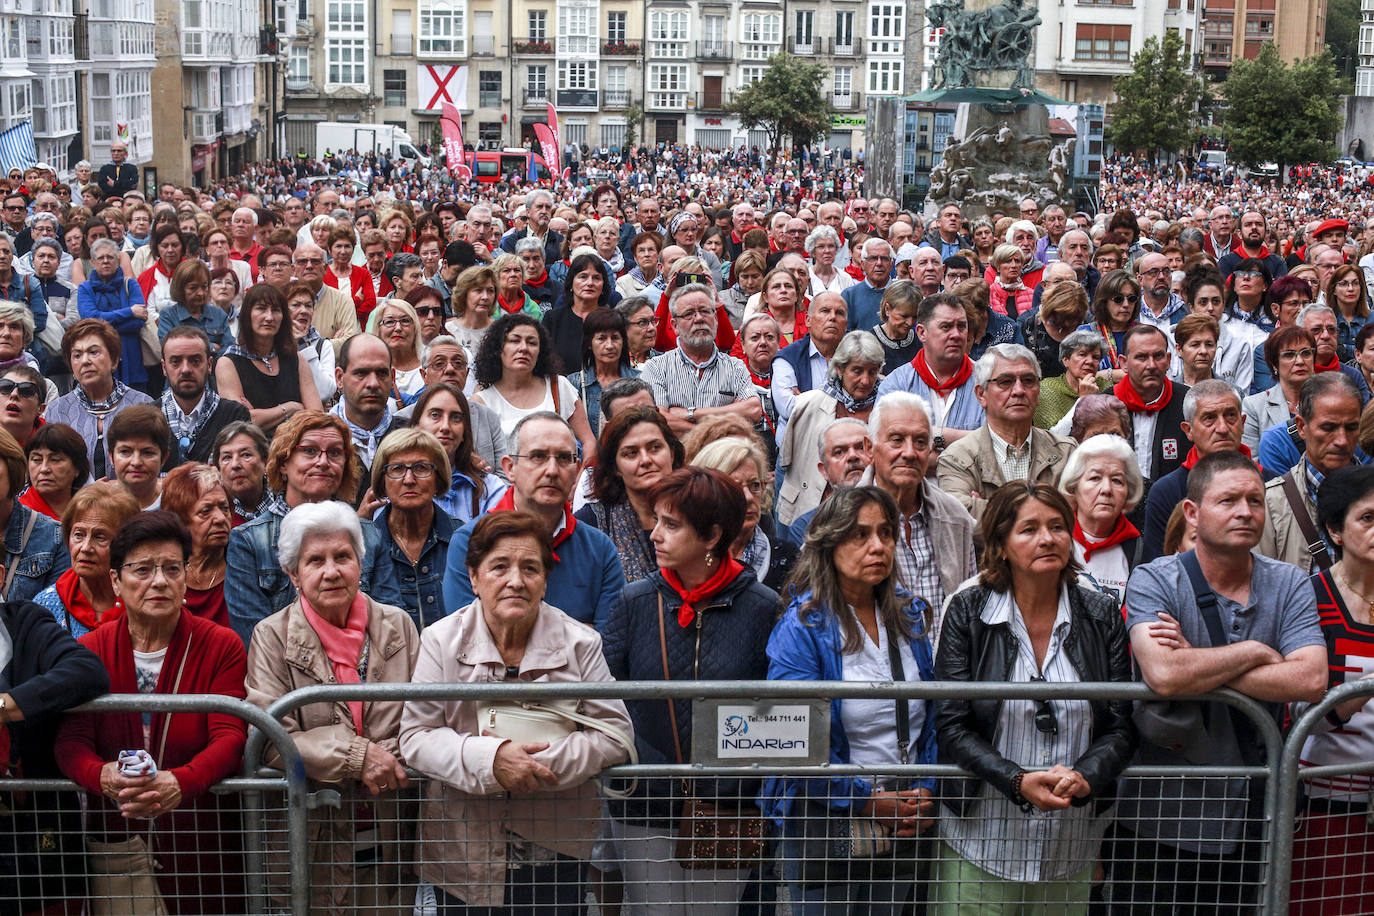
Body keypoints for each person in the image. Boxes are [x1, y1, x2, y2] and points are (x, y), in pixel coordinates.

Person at [1108, 451, 1327, 912]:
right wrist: (1253, 652)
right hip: (1162, 816)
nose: (1246, 512)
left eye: (1254, 500)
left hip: (1251, 813)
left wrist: (1200, 661)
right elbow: (1165, 674)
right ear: (1192, 512)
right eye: (1228, 500)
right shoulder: (1154, 578)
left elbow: (1310, 678)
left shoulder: (1289, 582)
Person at [401, 510, 632, 913]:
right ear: (473, 578)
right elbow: (416, 737)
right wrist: (490, 760)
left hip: (555, 844)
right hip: (463, 844)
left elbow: (614, 734)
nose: (515, 581)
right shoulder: (439, 640)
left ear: (545, 580)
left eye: (530, 568)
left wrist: (534, 764)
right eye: (499, 567)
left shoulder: (581, 643)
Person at [934, 482, 1137, 911]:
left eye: (1058, 527)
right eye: (1029, 529)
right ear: (1001, 544)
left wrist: (1086, 776)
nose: (1047, 538)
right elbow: (951, 725)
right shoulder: (968, 611)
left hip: (1071, 844)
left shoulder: (1100, 613)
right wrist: (1015, 780)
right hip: (982, 844)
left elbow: (1120, 725)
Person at [601, 466, 777, 915]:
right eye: (657, 521)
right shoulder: (636, 601)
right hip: (646, 798)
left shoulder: (762, 608)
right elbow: (606, 692)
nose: (656, 534)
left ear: (713, 534)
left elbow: (776, 707)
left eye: (672, 525)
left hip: (729, 804)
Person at [54, 511, 249, 914]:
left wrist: (180, 781)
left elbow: (230, 735)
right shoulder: (89, 650)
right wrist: (102, 775)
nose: (159, 581)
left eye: (172, 568)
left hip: (200, 838)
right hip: (119, 842)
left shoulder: (220, 645)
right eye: (142, 569)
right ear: (115, 582)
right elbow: (72, 740)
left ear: (186, 577)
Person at [762, 486, 938, 911]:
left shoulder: (908, 614)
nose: (878, 546)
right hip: (829, 819)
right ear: (830, 544)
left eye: (885, 533)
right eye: (860, 535)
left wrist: (928, 789)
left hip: (903, 816)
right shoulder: (802, 627)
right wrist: (865, 799)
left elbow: (930, 718)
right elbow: (791, 742)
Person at [244, 501, 419, 910]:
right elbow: (270, 737)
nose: (331, 571)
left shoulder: (399, 625)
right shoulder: (271, 635)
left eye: (343, 556)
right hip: (314, 837)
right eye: (315, 560)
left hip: (390, 829)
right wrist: (359, 756)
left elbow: (424, 717)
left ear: (360, 562)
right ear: (293, 574)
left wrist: (387, 755)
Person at [224, 411, 403, 642]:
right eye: (309, 451)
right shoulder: (248, 541)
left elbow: (389, 628)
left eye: (335, 453)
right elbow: (257, 641)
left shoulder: (369, 534)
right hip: (284, 674)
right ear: (283, 463)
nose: (323, 462)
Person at [0, 544, 109, 913]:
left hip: (36, 828)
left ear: (0, 577)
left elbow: (87, 671)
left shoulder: (25, 621)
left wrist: (4, 707)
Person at [443, 412, 623, 627]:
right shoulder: (469, 541)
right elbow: (467, 638)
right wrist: (581, 632)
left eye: (565, 458)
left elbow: (609, 644)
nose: (552, 470)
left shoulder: (600, 549)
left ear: (577, 470)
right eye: (538, 456)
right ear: (510, 468)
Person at [1290, 466, 1374, 913]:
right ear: (1335, 531)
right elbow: (1301, 711)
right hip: (1326, 805)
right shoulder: (1309, 598)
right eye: (1368, 518)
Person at [865, 392, 977, 643]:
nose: (909, 452)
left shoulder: (955, 517)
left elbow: (969, 606)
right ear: (869, 448)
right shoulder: (840, 520)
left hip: (947, 673)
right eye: (896, 440)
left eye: (920, 442)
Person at [936, 344, 1077, 521]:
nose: (1019, 391)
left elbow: (1080, 516)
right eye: (1005, 382)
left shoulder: (1067, 452)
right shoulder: (956, 459)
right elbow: (961, 522)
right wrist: (1051, 510)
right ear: (981, 394)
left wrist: (989, 510)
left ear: (1038, 392)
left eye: (1028, 381)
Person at [1055, 325, 1192, 491]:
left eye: (1158, 356)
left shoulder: (1189, 402)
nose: (1151, 365)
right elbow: (1060, 445)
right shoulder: (1103, 404)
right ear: (1123, 363)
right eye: (1141, 357)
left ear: (1169, 360)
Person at [777, 330, 883, 528]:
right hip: (813, 512)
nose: (866, 381)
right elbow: (786, 465)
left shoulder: (886, 404)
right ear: (840, 369)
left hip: (870, 512)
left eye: (872, 371)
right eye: (857, 371)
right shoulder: (808, 405)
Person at [1258, 373, 1364, 569]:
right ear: (1301, 427)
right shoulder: (1269, 503)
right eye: (1328, 428)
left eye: (1351, 428)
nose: (1341, 440)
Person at [575, 405, 684, 584]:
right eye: (631, 453)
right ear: (616, 467)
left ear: (671, 454)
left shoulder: (698, 510)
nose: (646, 460)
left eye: (655, 448)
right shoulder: (591, 523)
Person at [472, 312, 597, 463]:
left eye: (532, 343)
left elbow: (589, 442)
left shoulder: (559, 386)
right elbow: (481, 461)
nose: (524, 348)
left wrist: (578, 479)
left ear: (540, 352)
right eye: (514, 341)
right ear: (498, 349)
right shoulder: (481, 402)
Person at [641, 282, 762, 436]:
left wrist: (690, 414)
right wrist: (727, 417)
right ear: (675, 325)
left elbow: (753, 410)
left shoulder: (735, 366)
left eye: (705, 311)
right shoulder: (657, 367)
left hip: (723, 458)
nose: (699, 319)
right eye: (689, 313)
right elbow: (658, 420)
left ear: (716, 319)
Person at [45, 318, 155, 478]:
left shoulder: (144, 405)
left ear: (114, 360)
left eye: (94, 352)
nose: (85, 361)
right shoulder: (56, 411)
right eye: (77, 355)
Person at [369, 428, 455, 631]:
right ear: (383, 480)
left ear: (438, 478)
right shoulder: (365, 545)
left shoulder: (463, 540)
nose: (409, 479)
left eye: (421, 468)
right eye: (397, 469)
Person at [878, 293, 984, 454]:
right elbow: (888, 452)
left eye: (961, 326)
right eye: (946, 327)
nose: (956, 335)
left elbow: (996, 446)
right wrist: (968, 441)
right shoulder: (897, 385)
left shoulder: (988, 381)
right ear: (922, 333)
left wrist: (937, 435)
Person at [216, 284, 324, 435]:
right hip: (253, 453)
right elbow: (240, 423)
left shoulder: (296, 358)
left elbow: (317, 416)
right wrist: (292, 408)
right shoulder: (228, 363)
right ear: (247, 315)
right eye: (261, 308)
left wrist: (262, 417)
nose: (269, 317)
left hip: (295, 448)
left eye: (276, 310)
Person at [692, 436, 796, 591]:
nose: (748, 497)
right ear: (706, 492)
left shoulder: (789, 558)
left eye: (754, 485)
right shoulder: (688, 560)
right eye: (734, 487)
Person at [1059, 433, 1145, 601]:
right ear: (1073, 486)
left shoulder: (1140, 552)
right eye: (1095, 478)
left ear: (1129, 491)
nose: (1106, 489)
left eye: (1117, 480)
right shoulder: (1054, 540)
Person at [407, 382, 502, 523]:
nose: (445, 426)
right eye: (435, 415)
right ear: (417, 424)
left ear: (465, 430)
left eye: (456, 417)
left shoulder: (490, 488)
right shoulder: (399, 484)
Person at [159, 326, 252, 464]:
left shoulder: (234, 415)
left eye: (195, 361)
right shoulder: (148, 417)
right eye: (176, 362)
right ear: (164, 368)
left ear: (209, 365)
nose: (186, 369)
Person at [159, 463, 232, 628]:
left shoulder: (244, 566)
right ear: (180, 521)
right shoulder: (161, 574)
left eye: (225, 508)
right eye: (205, 511)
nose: (221, 518)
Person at [770, 292, 849, 437]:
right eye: (825, 311)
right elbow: (788, 408)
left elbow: (866, 401)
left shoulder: (855, 356)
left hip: (843, 443)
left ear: (846, 324)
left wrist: (805, 399)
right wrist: (842, 404)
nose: (832, 317)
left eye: (839, 313)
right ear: (808, 320)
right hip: (799, 448)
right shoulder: (787, 358)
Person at [76, 237, 149, 389]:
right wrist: (129, 311)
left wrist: (103, 325)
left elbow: (139, 320)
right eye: (101, 258)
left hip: (131, 358)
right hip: (97, 358)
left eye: (110, 257)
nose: (105, 261)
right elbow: (90, 319)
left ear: (117, 260)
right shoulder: (85, 288)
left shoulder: (130, 284)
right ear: (93, 262)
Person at [1242, 325, 1315, 453]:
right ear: (1274, 364)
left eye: (1306, 353)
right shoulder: (1253, 407)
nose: (1299, 361)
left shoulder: (1329, 402)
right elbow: (1251, 463)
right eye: (1289, 355)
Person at [568, 307, 639, 434]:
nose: (610, 345)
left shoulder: (639, 382)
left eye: (615, 338)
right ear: (589, 343)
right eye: (602, 338)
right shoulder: (574, 384)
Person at [544, 250, 614, 373]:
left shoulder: (613, 321)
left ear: (603, 286)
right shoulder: (553, 319)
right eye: (583, 277)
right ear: (571, 283)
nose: (590, 283)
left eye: (596, 278)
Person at [1034, 329, 1111, 429]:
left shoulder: (1107, 388)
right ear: (1065, 360)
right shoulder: (1048, 388)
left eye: (1096, 357)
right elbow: (1053, 437)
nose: (1090, 361)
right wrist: (1084, 400)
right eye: (1082, 354)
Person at [155, 258, 231, 356]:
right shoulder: (168, 316)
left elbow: (228, 351)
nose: (200, 293)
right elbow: (170, 349)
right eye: (193, 288)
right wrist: (213, 347)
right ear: (180, 289)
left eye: (204, 287)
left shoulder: (219, 315)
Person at [105, 404, 170, 509]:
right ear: (111, 457)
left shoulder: (178, 504)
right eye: (125, 452)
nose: (136, 462)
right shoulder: (97, 505)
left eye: (147, 453)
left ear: (164, 458)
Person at [286, 279, 339, 405]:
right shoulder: (271, 343)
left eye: (308, 306)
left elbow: (324, 392)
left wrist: (303, 346)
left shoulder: (322, 346)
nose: (303, 311)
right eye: (296, 305)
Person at [21, 421, 88, 521]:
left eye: (55, 460)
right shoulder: (17, 515)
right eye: (36, 460)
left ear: (77, 468)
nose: (44, 469)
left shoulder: (91, 512)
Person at [365, 297, 425, 401]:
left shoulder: (430, 365)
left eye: (405, 321)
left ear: (415, 328)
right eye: (389, 322)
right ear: (378, 329)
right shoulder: (368, 369)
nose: (398, 328)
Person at [212, 421, 271, 526]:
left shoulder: (287, 504)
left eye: (246, 455)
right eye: (227, 457)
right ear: (218, 468)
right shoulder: (213, 516)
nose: (235, 465)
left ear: (265, 462)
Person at [323, 224, 377, 325]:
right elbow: (325, 308)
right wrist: (356, 301)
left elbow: (370, 303)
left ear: (353, 249)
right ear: (329, 250)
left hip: (358, 329)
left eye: (347, 246)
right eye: (338, 246)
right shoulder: (322, 274)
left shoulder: (363, 274)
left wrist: (343, 315)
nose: (343, 251)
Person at [871, 279, 922, 373]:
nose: (910, 322)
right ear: (887, 309)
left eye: (915, 317)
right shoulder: (870, 342)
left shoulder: (920, 341)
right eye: (904, 316)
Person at [842, 237, 894, 331]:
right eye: (873, 258)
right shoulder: (849, 296)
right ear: (863, 264)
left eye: (884, 258)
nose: (879, 263)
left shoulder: (902, 292)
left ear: (891, 264)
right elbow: (845, 334)